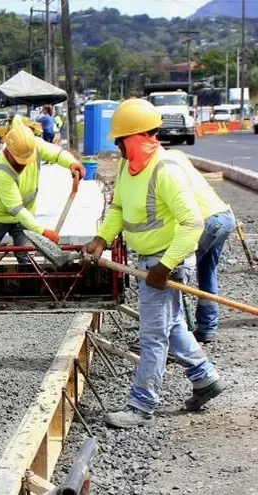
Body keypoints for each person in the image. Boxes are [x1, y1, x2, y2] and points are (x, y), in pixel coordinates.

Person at [82, 98, 224, 429]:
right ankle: (205, 378)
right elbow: (117, 208)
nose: (117, 146)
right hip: (148, 260)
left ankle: (141, 406)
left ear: (140, 136)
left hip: (167, 262)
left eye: (121, 140)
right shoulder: (126, 166)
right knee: (170, 325)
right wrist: (102, 239)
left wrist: (166, 266)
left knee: (152, 335)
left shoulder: (166, 171)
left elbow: (192, 224)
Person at [0, 116, 85, 266]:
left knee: (26, 258)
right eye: (19, 162)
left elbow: (56, 154)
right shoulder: (0, 169)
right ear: (9, 151)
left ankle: (28, 286)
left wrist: (72, 163)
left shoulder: (32, 145)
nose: (23, 166)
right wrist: (42, 231)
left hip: (25, 215)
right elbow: (16, 208)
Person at [167, 150, 236, 343]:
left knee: (179, 272)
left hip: (205, 221)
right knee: (207, 272)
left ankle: (179, 334)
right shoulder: (178, 157)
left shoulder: (161, 167)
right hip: (223, 216)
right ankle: (207, 328)